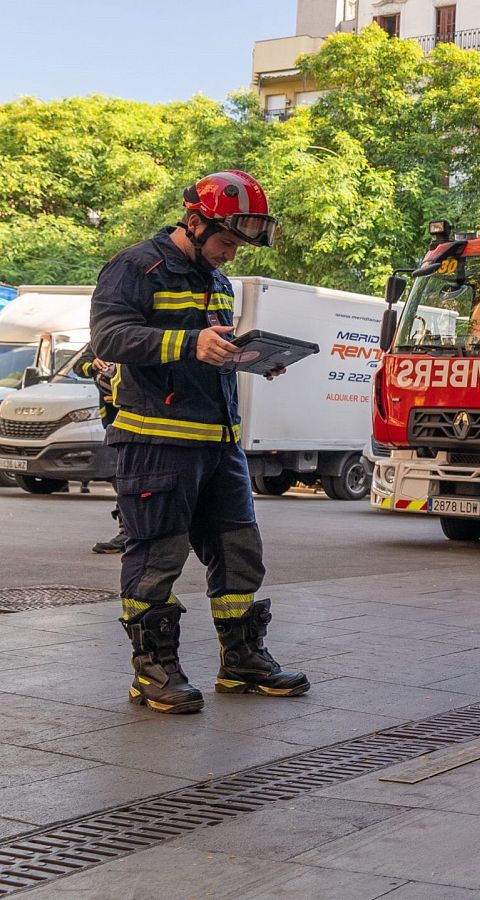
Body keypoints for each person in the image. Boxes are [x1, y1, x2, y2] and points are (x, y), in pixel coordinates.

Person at [90, 170, 309, 715]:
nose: (231, 254)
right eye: (226, 241)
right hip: (156, 441)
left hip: (220, 444)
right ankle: (154, 673)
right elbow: (110, 336)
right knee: (157, 556)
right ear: (194, 221)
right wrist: (189, 342)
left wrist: (246, 358)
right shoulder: (136, 266)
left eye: (239, 245)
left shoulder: (217, 279)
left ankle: (242, 663)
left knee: (240, 554)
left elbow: (208, 350)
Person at [75, 356, 128, 554]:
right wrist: (93, 366)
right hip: (115, 419)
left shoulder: (132, 334)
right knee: (121, 476)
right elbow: (80, 365)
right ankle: (127, 531)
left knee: (129, 478)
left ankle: (131, 532)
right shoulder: (103, 337)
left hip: (141, 416)